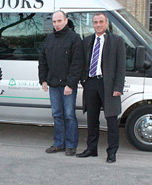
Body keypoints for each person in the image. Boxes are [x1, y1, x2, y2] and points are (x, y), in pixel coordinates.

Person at [76, 12, 126, 163]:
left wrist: (118, 87)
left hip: (109, 85)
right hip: (91, 83)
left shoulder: (117, 41)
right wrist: (83, 81)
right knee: (92, 119)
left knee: (111, 119)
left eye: (101, 22)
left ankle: (112, 152)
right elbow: (82, 62)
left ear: (106, 23)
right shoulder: (88, 40)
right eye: (95, 22)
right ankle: (91, 149)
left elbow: (121, 66)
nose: (98, 24)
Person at [38, 10, 83, 156]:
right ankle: (59, 143)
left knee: (69, 115)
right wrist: (43, 80)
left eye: (59, 21)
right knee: (57, 115)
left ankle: (71, 145)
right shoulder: (49, 39)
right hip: (53, 85)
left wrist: (70, 84)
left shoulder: (74, 39)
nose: (56, 24)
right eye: (54, 21)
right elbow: (43, 62)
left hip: (67, 86)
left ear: (66, 20)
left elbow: (77, 64)